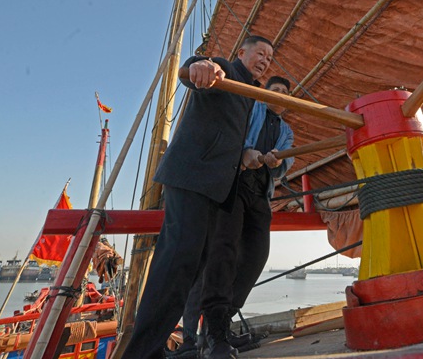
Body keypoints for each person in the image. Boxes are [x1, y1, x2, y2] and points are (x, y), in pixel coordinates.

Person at [118, 35, 274, 359]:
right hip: (192, 178)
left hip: (215, 189)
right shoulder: (225, 70)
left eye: (270, 58)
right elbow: (195, 68)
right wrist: (200, 65)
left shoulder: (249, 95)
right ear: (241, 52)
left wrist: (244, 154)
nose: (265, 60)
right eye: (260, 53)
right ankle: (143, 352)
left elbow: (225, 134)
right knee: (176, 263)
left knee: (190, 269)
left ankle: (155, 346)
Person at [173, 76, 296, 359]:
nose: (279, 96)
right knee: (221, 254)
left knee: (256, 256)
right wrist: (244, 152)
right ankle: (203, 336)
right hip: (233, 185)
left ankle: (221, 326)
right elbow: (231, 133)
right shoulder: (250, 109)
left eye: (285, 94)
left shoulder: (287, 131)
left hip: (259, 194)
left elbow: (285, 166)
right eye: (275, 90)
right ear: (265, 94)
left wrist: (279, 161)